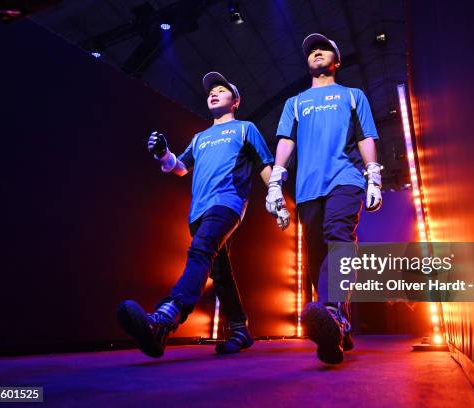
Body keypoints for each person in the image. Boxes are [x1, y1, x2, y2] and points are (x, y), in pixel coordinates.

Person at [118, 72, 274, 358]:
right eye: (210, 91)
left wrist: (275, 195)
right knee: (220, 272)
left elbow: (265, 162)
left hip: (227, 203)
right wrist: (163, 154)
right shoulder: (200, 137)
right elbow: (180, 168)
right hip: (198, 211)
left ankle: (167, 315)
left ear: (235, 101)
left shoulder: (245, 128)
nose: (213, 93)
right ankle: (240, 329)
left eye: (221, 90)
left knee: (200, 251)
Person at [266, 33, 383, 364]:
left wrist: (373, 175)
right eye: (311, 51)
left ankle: (331, 309)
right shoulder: (296, 102)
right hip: (307, 188)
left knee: (338, 236)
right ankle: (338, 325)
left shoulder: (352, 95)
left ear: (337, 60)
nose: (316, 53)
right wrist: (276, 180)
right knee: (318, 256)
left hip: (345, 178)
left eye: (324, 49)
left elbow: (366, 135)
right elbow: (286, 140)